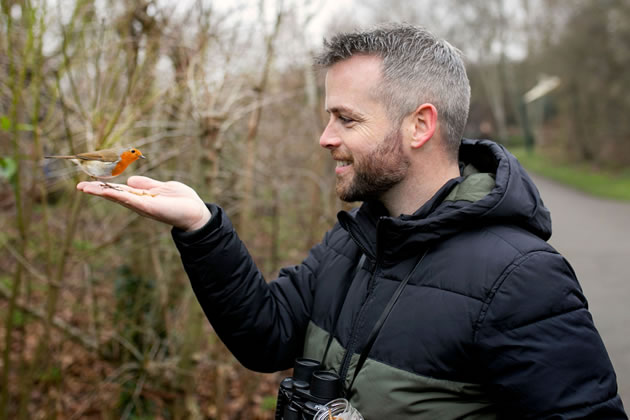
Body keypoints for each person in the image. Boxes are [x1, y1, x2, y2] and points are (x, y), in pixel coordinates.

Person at [77, 23, 627, 419]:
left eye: (346, 119)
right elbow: (266, 338)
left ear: (420, 125)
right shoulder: (357, 242)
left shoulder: (522, 279)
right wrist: (201, 228)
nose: (326, 138)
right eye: (327, 118)